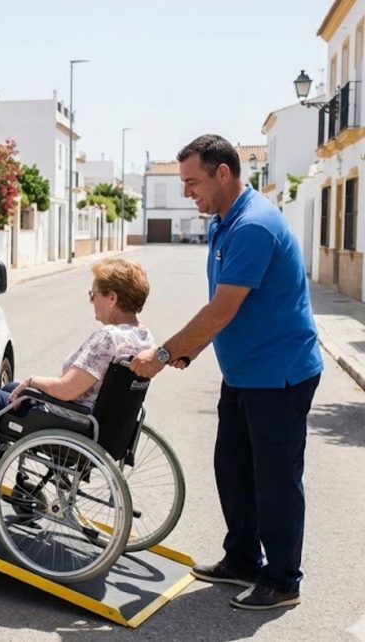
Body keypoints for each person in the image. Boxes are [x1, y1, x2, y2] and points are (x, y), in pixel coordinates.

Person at [130, 134, 323, 612]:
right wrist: (190, 352)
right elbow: (224, 311)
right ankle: (242, 558)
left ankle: (282, 580)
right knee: (232, 468)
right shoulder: (223, 221)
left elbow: (221, 309)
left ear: (223, 173)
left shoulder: (253, 226)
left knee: (274, 479)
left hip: (278, 375)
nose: (186, 192)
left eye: (193, 182)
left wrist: (162, 355)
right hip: (243, 372)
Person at [0, 258, 155, 493]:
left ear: (112, 298)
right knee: (10, 389)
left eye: (94, 294)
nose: (91, 301)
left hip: (72, 421)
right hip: (102, 424)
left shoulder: (109, 337)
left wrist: (33, 381)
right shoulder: (144, 338)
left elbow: (67, 389)